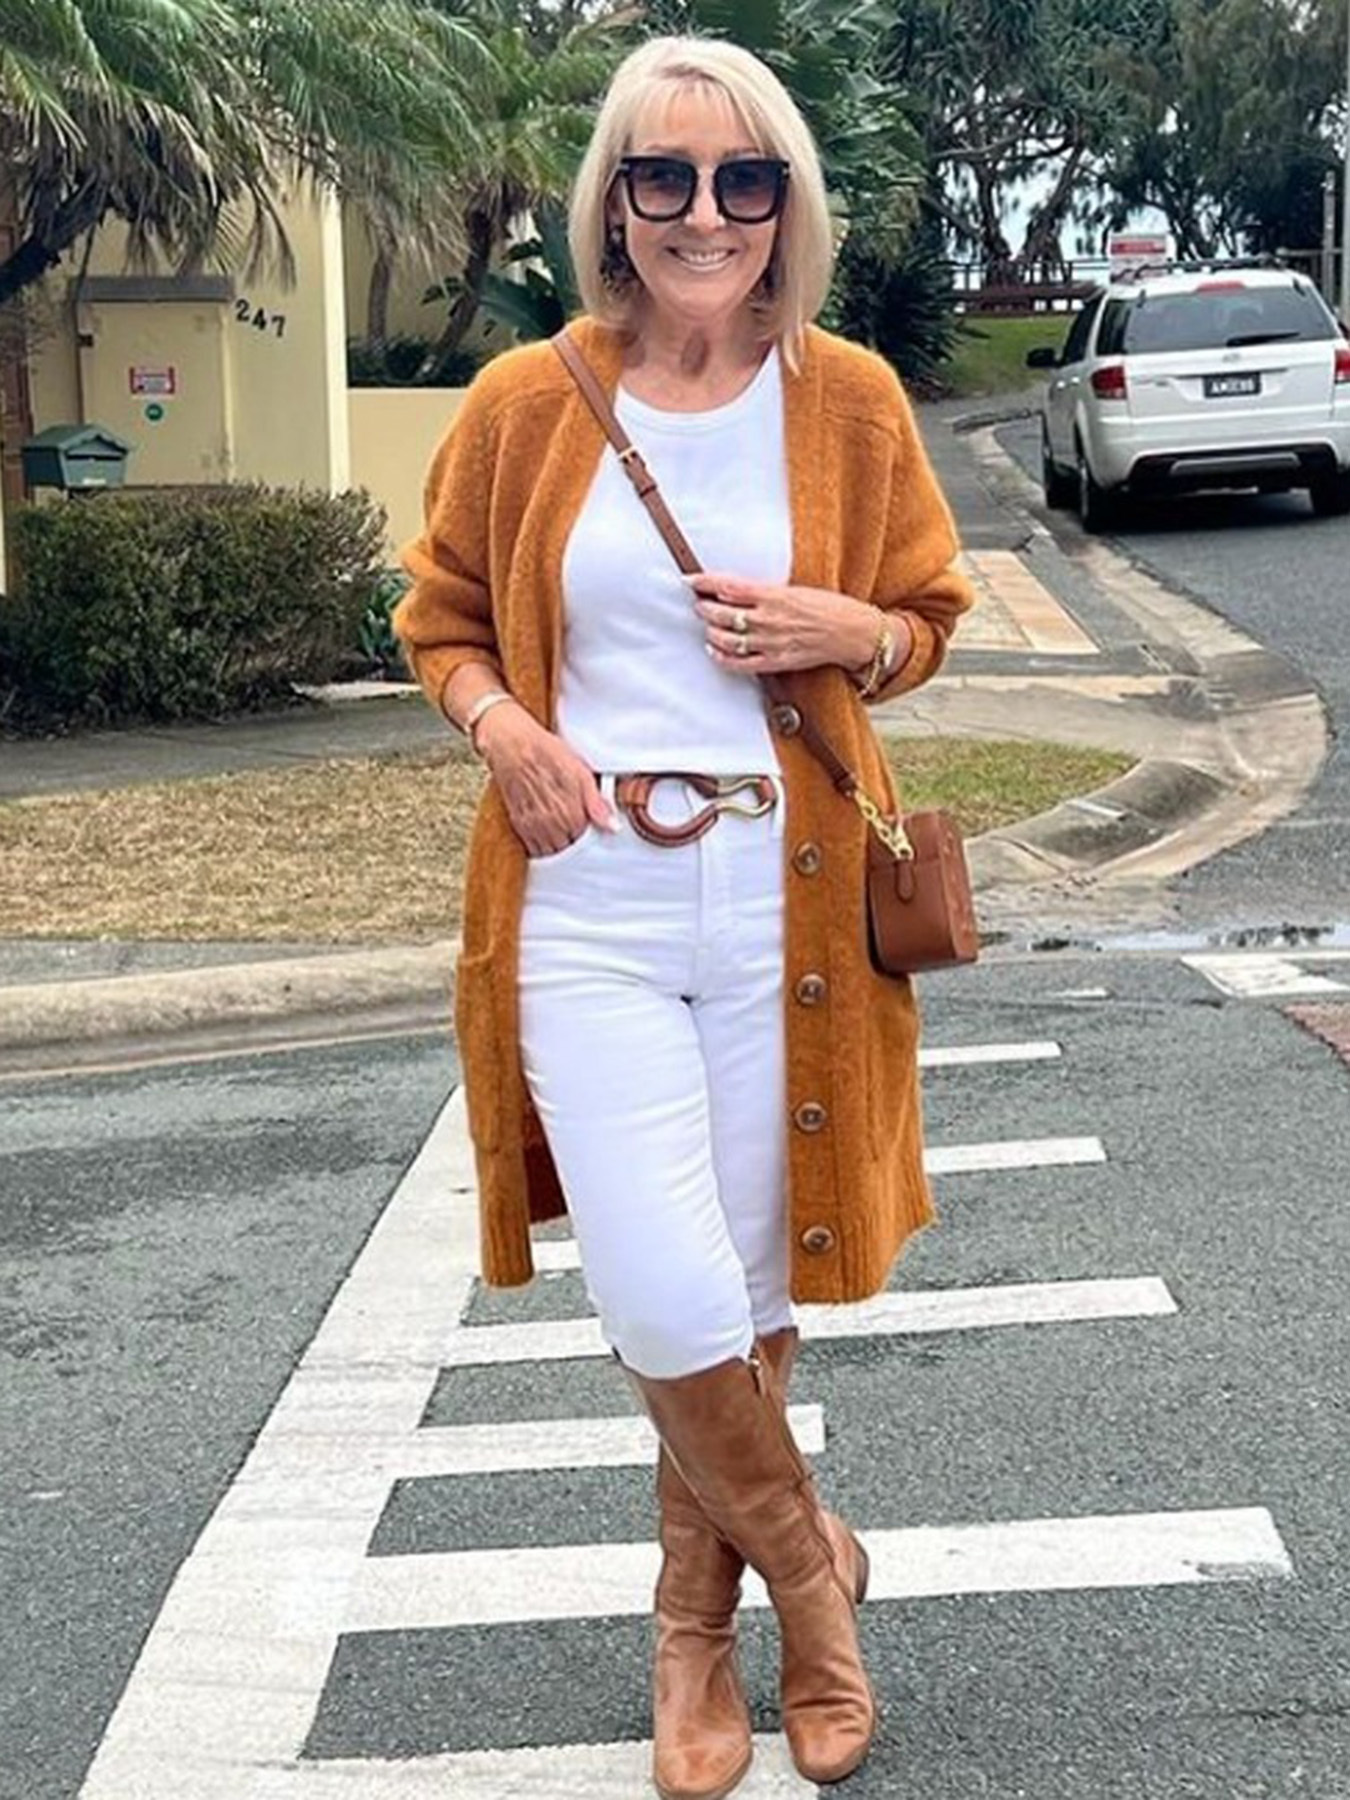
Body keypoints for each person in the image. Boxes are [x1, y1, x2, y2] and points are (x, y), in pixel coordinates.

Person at [393, 33, 975, 1800]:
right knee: (656, 1290)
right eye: (663, 175)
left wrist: (849, 633)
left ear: (785, 206)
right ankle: (810, 1579)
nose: (703, 211)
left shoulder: (847, 399)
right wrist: (504, 733)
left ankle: (692, 1635)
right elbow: (439, 618)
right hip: (585, 897)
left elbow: (927, 614)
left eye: (742, 179)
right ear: (613, 205)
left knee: (741, 1292)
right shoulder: (528, 402)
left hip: (785, 905)